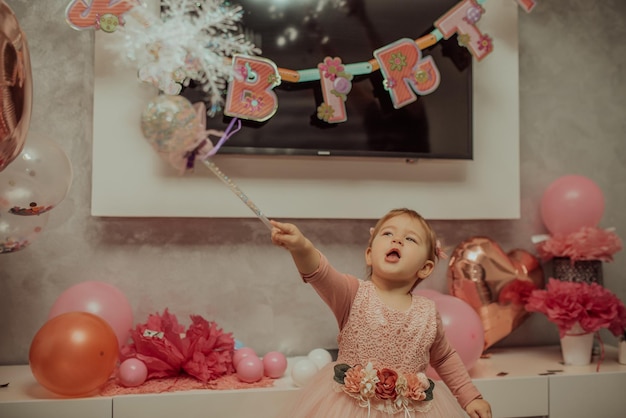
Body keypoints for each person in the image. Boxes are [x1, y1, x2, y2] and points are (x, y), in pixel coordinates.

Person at [270, 208, 492, 418]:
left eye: (410, 239)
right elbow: (321, 273)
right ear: (369, 254)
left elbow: (444, 357)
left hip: (409, 411)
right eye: (387, 233)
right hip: (350, 407)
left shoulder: (427, 312)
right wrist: (302, 247)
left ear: (425, 268)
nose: (396, 240)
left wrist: (470, 397)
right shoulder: (352, 293)